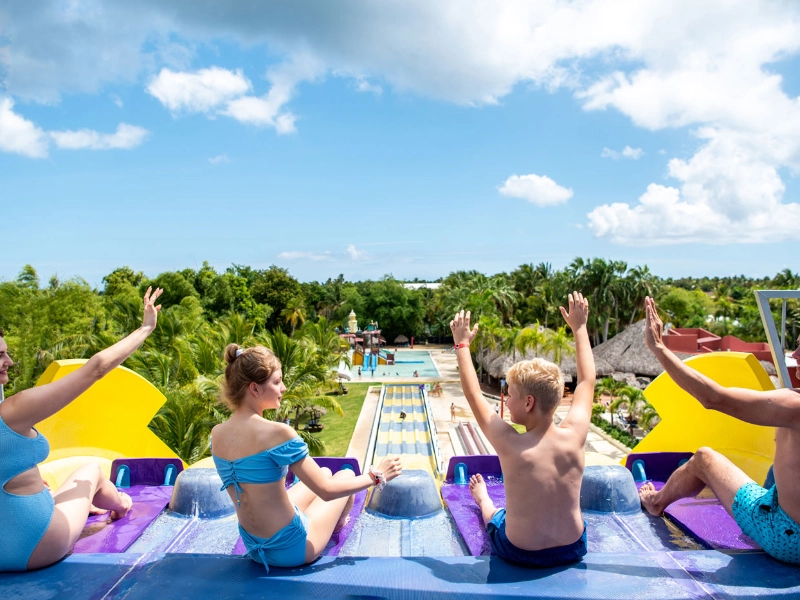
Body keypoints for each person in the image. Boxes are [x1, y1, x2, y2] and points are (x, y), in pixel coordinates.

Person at [0, 288, 163, 572]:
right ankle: (122, 504)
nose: (10, 362)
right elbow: (95, 369)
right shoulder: (13, 412)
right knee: (92, 472)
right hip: (37, 544)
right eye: (1, 355)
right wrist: (145, 328)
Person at [211, 344, 402, 572]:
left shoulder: (218, 433)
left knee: (323, 471)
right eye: (276, 382)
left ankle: (325, 521)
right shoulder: (277, 433)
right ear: (254, 388)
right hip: (292, 550)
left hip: (254, 545)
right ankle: (335, 524)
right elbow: (327, 491)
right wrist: (376, 475)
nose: (283, 388)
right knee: (345, 474)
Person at [638, 296, 800, 565]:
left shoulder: (794, 406)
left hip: (789, 539)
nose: (794, 356)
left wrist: (659, 348)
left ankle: (656, 501)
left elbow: (714, 398)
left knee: (704, 459)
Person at [451, 292, 595, 568]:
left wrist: (462, 344)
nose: (505, 397)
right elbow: (587, 381)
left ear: (528, 402)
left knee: (496, 516)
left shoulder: (511, 444)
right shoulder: (574, 435)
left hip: (521, 552)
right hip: (574, 547)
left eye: (510, 392)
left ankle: (483, 501)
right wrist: (580, 327)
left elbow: (473, 394)